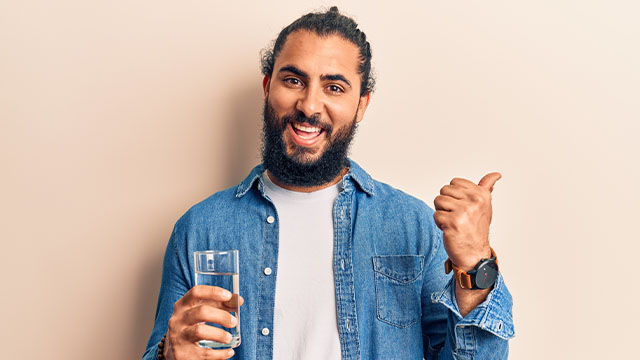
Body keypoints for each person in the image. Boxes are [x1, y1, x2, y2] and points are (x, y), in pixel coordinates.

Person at [143, 7, 514, 360]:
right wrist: (168, 352)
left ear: (361, 105)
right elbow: (164, 348)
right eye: (293, 80)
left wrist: (476, 265)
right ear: (267, 86)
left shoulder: (413, 226)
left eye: (334, 87)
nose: (309, 105)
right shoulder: (201, 229)